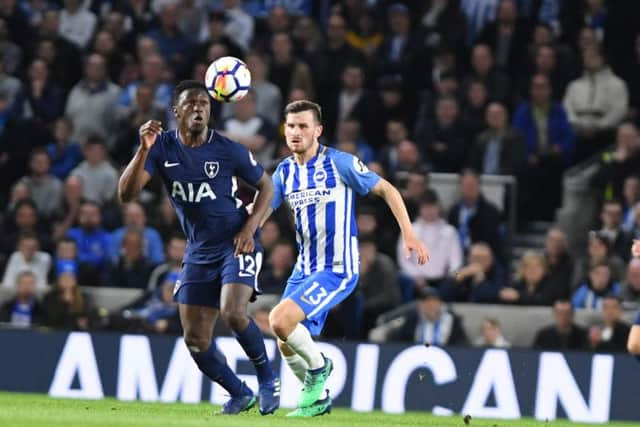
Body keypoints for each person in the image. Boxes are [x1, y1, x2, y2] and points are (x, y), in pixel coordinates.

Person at [117, 81, 279, 415]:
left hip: (237, 241)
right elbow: (126, 194)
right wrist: (143, 150)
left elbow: (267, 186)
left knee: (233, 313)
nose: (199, 108)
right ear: (176, 112)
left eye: (204, 103)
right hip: (198, 250)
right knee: (195, 339)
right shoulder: (160, 147)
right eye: (191, 103)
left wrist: (251, 227)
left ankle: (267, 379)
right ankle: (239, 392)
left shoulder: (227, 149)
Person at [263, 100, 429, 417]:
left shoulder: (340, 164)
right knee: (285, 340)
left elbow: (389, 191)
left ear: (318, 130)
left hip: (337, 268)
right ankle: (317, 400)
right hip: (304, 268)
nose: (296, 132)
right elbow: (260, 214)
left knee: (278, 320)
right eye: (291, 126)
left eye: (303, 126)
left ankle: (319, 367)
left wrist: (408, 233)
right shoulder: (284, 171)